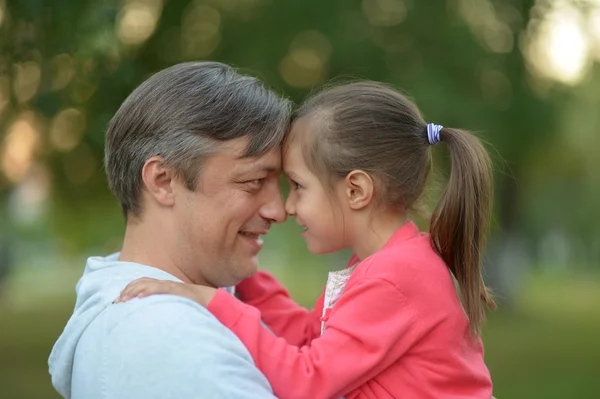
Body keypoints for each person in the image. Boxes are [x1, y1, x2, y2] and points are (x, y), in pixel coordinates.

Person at [119, 81, 497, 399]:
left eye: (298, 186)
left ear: (356, 190)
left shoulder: (395, 278)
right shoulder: (384, 265)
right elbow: (308, 336)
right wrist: (237, 272)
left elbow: (306, 380)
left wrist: (213, 300)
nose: (288, 206)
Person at [48, 61, 292, 399]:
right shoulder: (166, 337)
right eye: (253, 181)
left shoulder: (165, 316)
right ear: (163, 181)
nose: (279, 210)